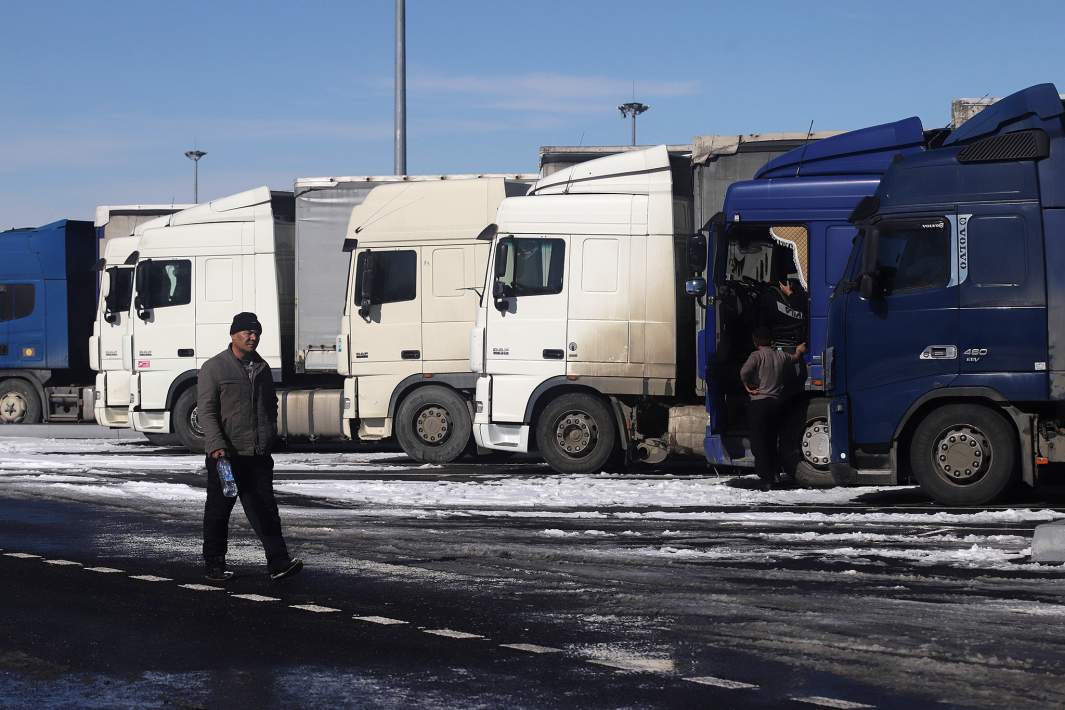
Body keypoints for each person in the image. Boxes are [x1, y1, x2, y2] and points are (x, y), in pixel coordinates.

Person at [198, 311, 303, 582]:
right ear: (233, 335)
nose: (253, 337)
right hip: (226, 455)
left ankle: (278, 563)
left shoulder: (262, 367)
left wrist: (270, 435)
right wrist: (216, 445)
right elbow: (206, 411)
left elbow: (270, 405)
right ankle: (214, 564)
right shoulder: (214, 368)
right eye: (247, 332)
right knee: (219, 512)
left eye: (256, 332)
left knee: (266, 510)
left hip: (257, 454)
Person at [741, 326, 807, 490]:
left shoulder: (756, 356)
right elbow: (795, 358)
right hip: (776, 403)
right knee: (771, 440)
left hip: (759, 403)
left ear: (755, 340)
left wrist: (747, 385)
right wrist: (799, 350)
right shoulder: (780, 355)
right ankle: (776, 472)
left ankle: (766, 477)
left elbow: (744, 371)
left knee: (759, 442)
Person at [758, 277, 808, 349]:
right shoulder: (801, 297)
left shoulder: (768, 298)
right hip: (797, 340)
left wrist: (790, 294)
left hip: (783, 342)